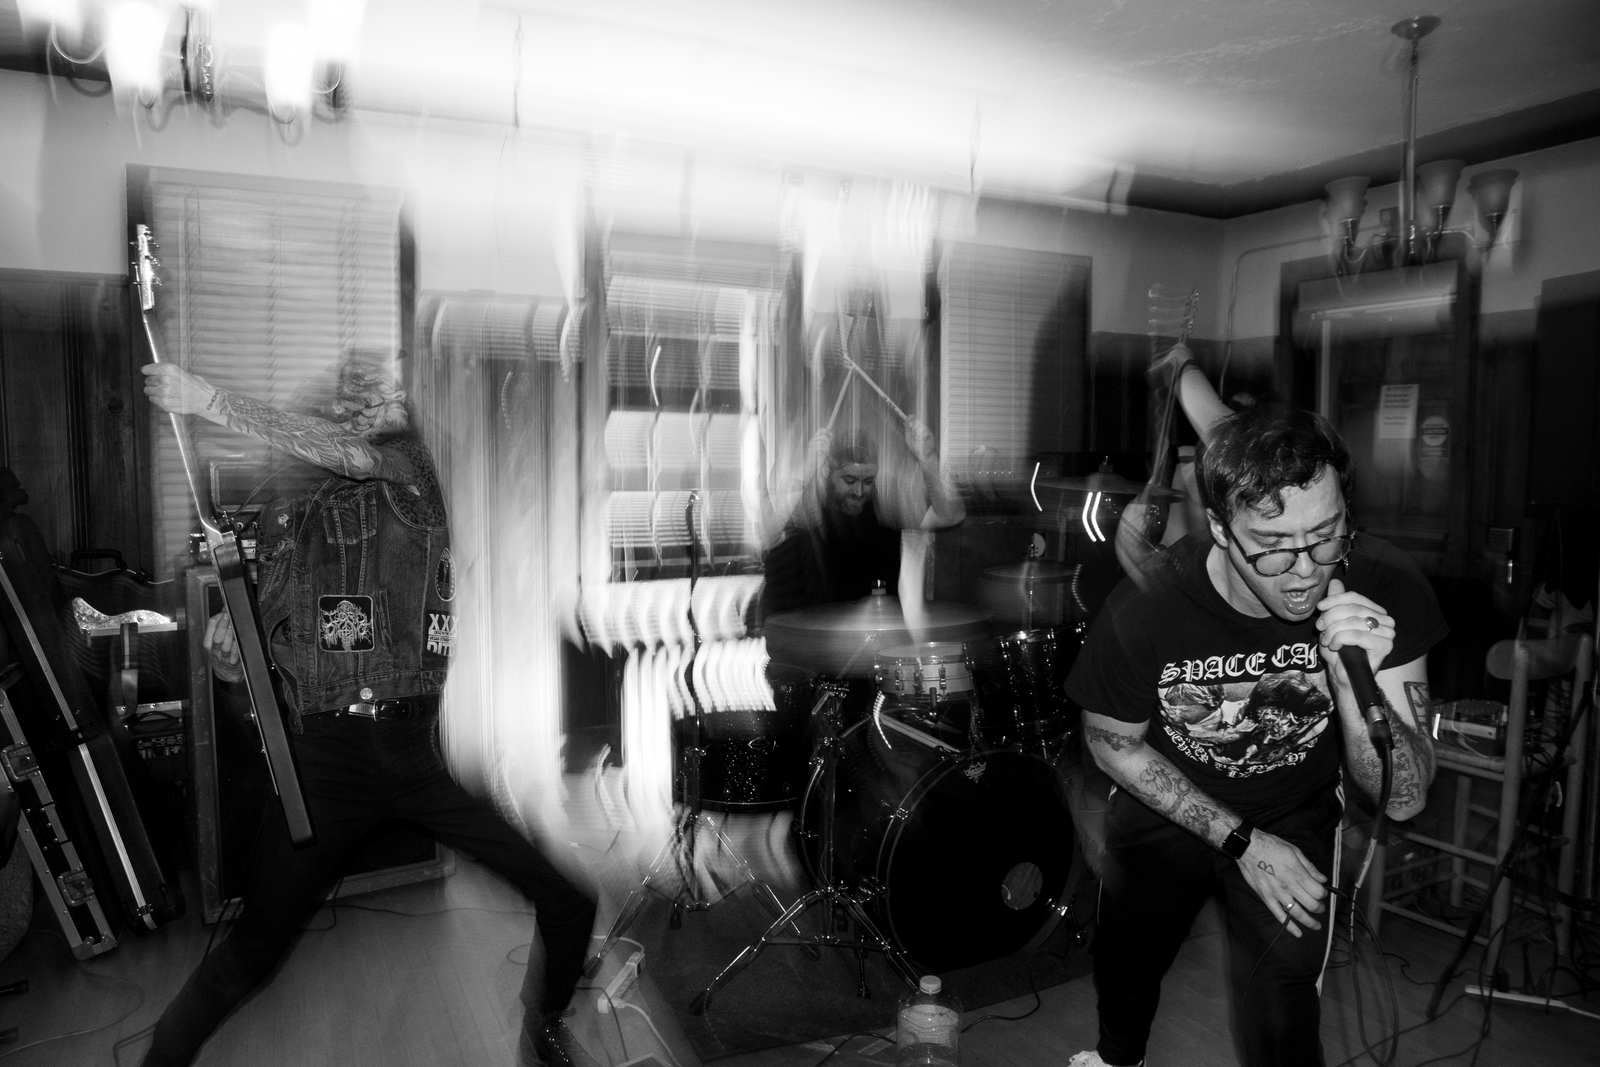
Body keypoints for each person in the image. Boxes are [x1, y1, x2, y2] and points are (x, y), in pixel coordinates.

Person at [138, 352, 599, 1067]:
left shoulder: (415, 471)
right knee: (248, 955)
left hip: (417, 751)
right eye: (354, 396)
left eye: (383, 393)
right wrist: (232, 661)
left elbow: (354, 457)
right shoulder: (291, 518)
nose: (369, 405)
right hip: (326, 762)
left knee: (569, 898)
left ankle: (542, 1027)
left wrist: (210, 400)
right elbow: (268, 665)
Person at [1065, 403, 1446, 1067]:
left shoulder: (1383, 584)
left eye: (1326, 535)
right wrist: (1240, 840)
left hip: (1295, 810)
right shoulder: (1150, 606)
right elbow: (1110, 741)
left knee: (1282, 1012)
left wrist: (1350, 683)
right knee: (1127, 965)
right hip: (1169, 802)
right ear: (1220, 528)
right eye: (1272, 547)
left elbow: (1406, 798)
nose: (1305, 570)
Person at [759, 418, 963, 621]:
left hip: (873, 633)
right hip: (801, 632)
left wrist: (928, 460)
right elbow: (767, 533)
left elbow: (951, 516)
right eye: (849, 480)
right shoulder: (807, 504)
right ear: (827, 471)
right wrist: (805, 470)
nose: (859, 491)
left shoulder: (887, 507)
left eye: (868, 481)